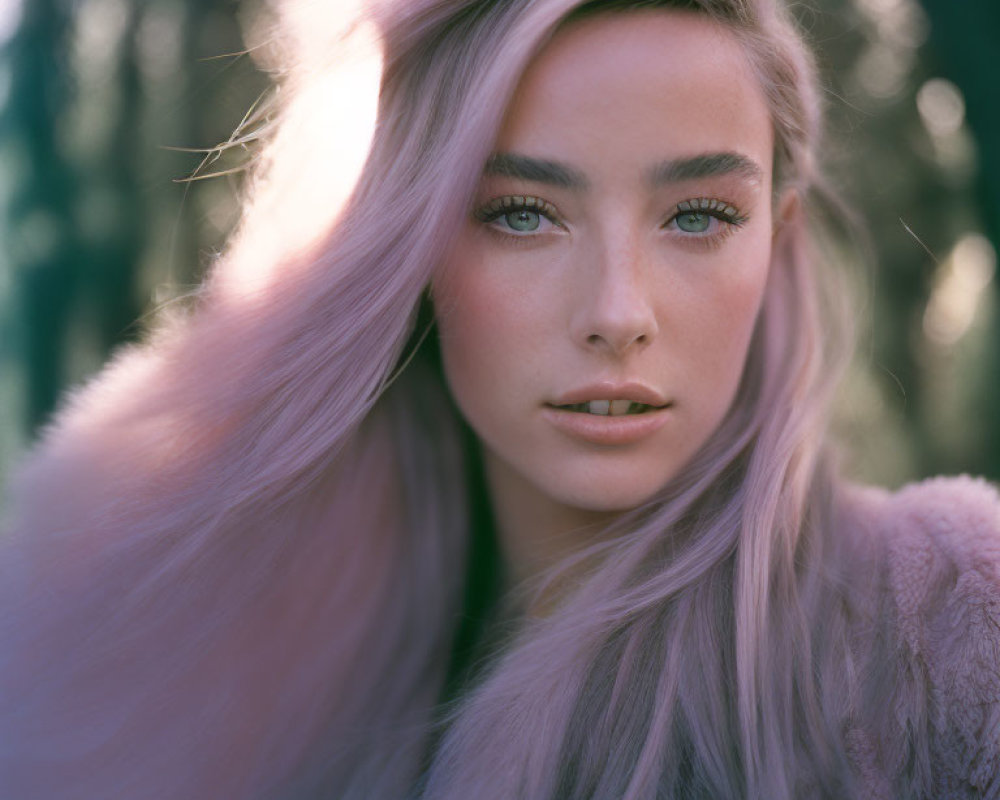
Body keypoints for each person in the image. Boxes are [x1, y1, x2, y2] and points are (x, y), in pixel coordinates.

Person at [1, 0, 998, 797]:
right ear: (409, 245)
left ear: (775, 238)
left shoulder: (951, 639)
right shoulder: (202, 696)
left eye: (698, 215)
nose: (618, 311)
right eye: (523, 214)